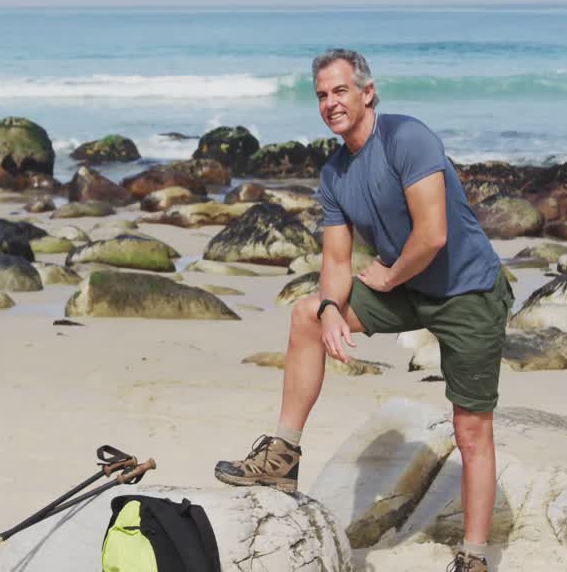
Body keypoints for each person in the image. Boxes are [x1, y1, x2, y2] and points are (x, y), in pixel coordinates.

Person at [212, 49, 512, 572]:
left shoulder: (407, 139)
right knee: (305, 314)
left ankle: (475, 555)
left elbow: (433, 234)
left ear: (367, 92)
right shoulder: (334, 174)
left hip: (468, 292)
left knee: (470, 428)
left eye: (340, 91)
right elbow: (336, 258)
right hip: (404, 287)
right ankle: (282, 455)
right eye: (323, 95)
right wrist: (331, 307)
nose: (331, 103)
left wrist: (390, 276)